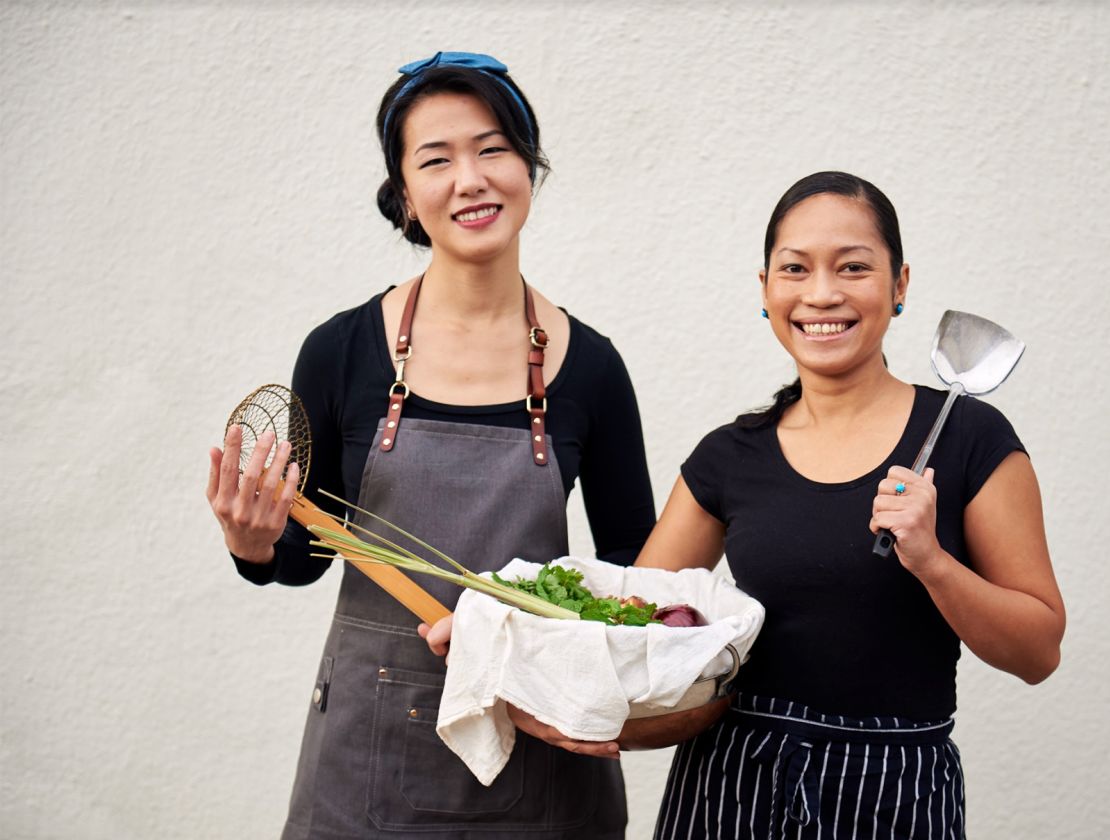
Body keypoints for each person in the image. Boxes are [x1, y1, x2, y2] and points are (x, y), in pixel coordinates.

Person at [206, 51, 655, 840]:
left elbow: (631, 583)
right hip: (365, 760)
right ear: (406, 198)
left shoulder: (593, 368)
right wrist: (255, 547)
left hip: (539, 751)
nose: (470, 179)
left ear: (529, 169)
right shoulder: (340, 351)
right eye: (436, 160)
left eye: (493, 149)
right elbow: (305, 558)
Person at [629, 171, 1065, 839]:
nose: (822, 294)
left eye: (853, 267)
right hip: (729, 788)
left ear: (900, 286)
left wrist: (933, 562)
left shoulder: (972, 439)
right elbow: (630, 620)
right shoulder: (728, 455)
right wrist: (505, 635)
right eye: (795, 269)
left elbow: (1038, 652)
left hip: (895, 794)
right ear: (766, 290)